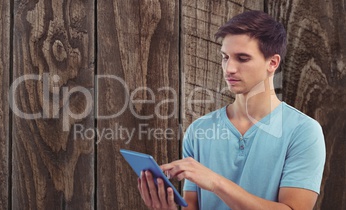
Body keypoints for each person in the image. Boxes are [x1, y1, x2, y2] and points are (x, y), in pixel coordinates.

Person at [137, 10, 326, 210]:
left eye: (242, 58)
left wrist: (216, 183)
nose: (229, 68)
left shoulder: (303, 131)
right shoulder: (198, 130)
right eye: (225, 57)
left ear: (273, 62)